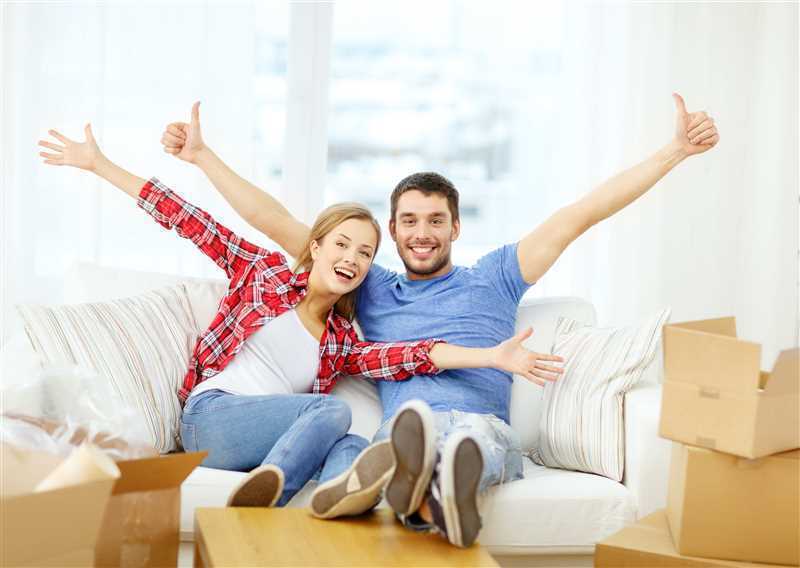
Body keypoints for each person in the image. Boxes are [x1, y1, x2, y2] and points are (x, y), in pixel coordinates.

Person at [159, 93, 720, 546]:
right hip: (400, 433)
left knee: (473, 441)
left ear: (455, 227)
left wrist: (673, 152)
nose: (421, 232)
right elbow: (273, 220)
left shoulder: (497, 276)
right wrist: (203, 157)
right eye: (409, 221)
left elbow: (580, 216)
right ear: (393, 231)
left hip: (478, 425)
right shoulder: (370, 285)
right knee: (380, 448)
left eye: (434, 220)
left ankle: (441, 492)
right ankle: (416, 501)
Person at [36, 123, 561, 510]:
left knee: (356, 445)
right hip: (211, 417)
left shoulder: (341, 341)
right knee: (332, 413)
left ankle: (339, 508)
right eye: (342, 244)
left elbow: (415, 355)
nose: (352, 258)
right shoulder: (260, 273)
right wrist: (101, 164)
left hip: (268, 434)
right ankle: (270, 493)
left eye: (364, 252)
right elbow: (186, 218)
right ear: (316, 247)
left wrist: (492, 356)